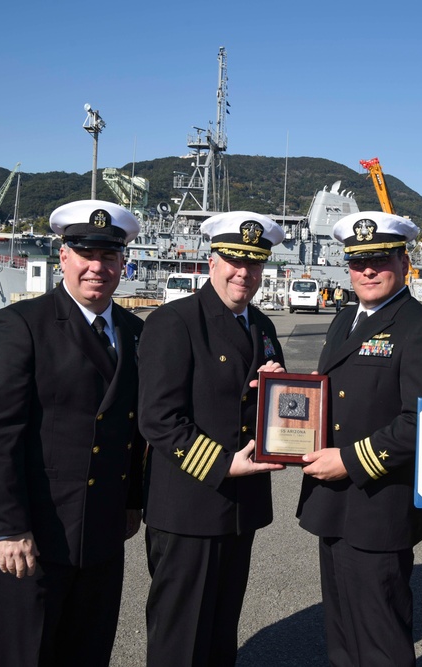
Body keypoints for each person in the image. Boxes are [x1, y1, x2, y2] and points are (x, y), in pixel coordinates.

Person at [0, 200, 145, 666]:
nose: (97, 267)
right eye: (86, 254)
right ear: (63, 256)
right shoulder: (21, 325)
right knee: (27, 655)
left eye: (109, 256)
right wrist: (7, 526)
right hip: (33, 534)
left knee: (89, 653)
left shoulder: (133, 330)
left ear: (122, 263)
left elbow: (133, 427)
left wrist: (131, 501)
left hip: (101, 532)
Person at [296, 211, 422, 667]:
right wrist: (288, 390)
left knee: (380, 638)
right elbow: (334, 390)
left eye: (380, 260)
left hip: (377, 506)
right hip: (333, 503)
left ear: (404, 261)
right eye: (357, 262)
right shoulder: (345, 319)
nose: (367, 271)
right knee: (343, 635)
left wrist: (349, 461)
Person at [139, 211, 288, 666]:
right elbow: (158, 418)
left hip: (238, 507)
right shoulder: (175, 322)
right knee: (180, 637)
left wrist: (275, 389)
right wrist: (223, 464)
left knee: (221, 630)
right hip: (190, 505)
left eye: (255, 263)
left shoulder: (261, 326)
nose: (244, 273)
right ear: (212, 262)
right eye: (234, 260)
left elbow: (264, 405)